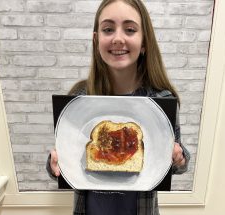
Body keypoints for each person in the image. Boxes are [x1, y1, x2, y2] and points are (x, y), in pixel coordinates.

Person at [47, 0, 190, 214]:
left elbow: (180, 164)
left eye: (130, 29)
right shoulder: (79, 97)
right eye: (108, 29)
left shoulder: (161, 99)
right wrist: (54, 164)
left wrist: (179, 158)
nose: (118, 38)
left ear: (144, 43)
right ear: (96, 40)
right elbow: (63, 161)